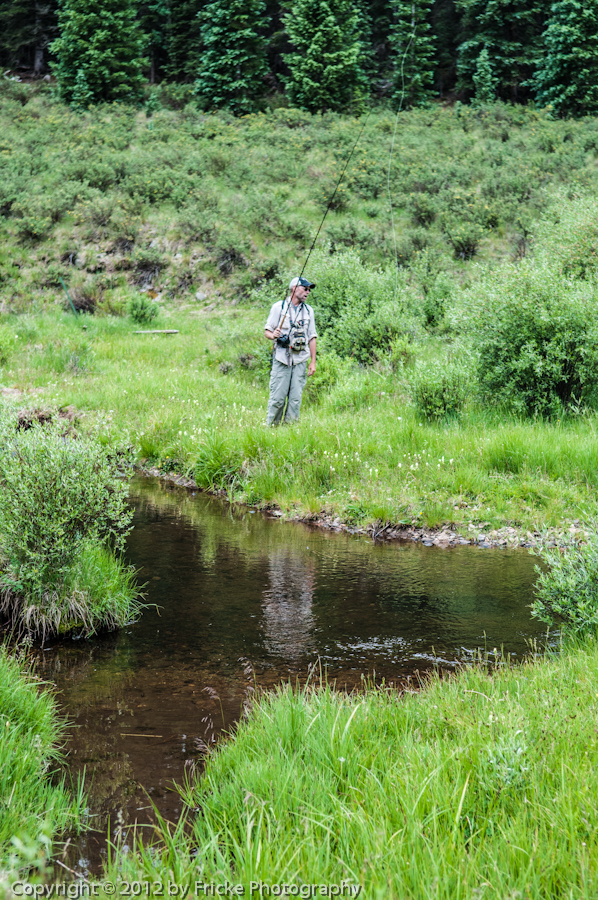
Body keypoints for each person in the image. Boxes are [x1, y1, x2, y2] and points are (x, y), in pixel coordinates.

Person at [264, 276, 317, 425]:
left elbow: (312, 337)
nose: (307, 292)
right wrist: (272, 335)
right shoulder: (278, 308)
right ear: (294, 289)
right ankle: (271, 430)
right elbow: (267, 331)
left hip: (300, 360)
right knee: (278, 399)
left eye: (309, 290)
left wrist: (312, 362)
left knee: (295, 400)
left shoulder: (309, 311)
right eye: (304, 288)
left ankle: (289, 431)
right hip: (281, 359)